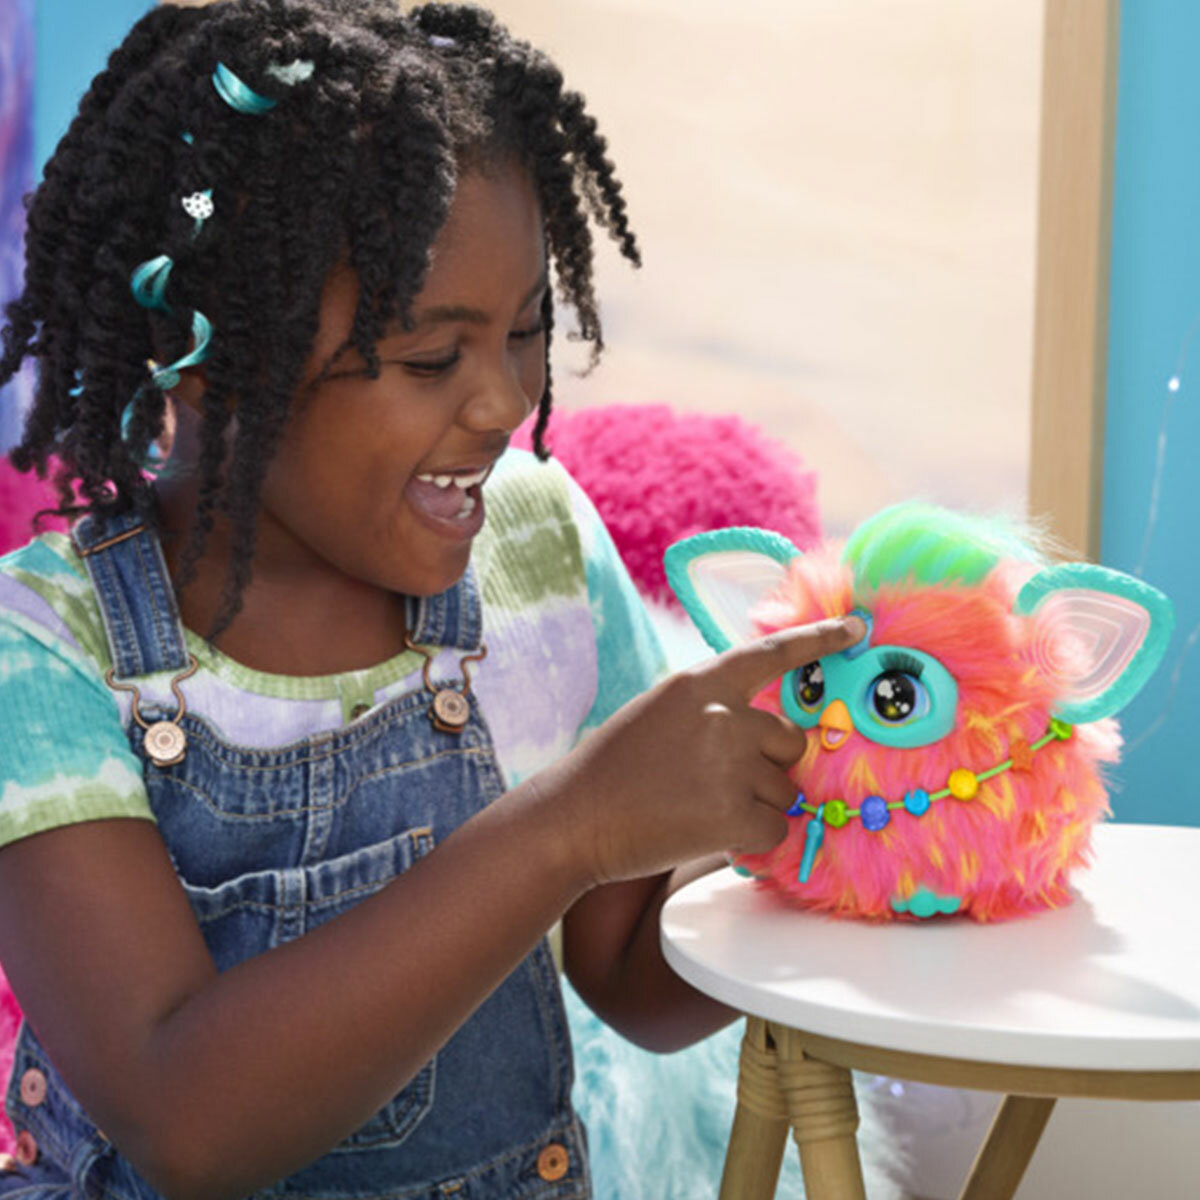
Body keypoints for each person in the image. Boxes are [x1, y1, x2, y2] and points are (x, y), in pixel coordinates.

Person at [0, 3, 863, 1196]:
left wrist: (841, 836)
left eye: (523, 333)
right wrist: (571, 827)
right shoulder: (45, 649)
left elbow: (631, 982)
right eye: (428, 360)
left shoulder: (541, 546)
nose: (506, 403)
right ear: (203, 363)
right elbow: (182, 1117)